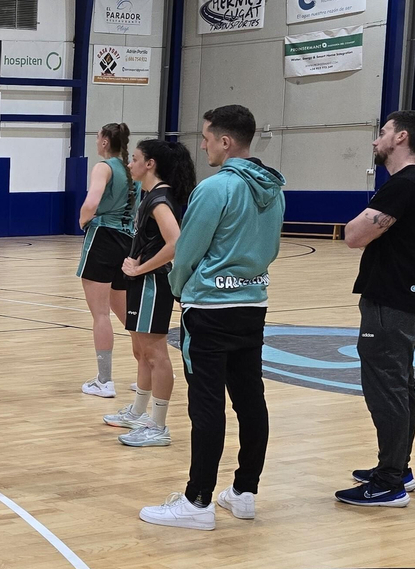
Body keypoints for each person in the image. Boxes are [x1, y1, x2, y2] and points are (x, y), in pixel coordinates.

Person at [140, 105, 284, 531]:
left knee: (206, 404)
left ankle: (198, 501)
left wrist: (182, 288)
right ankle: (244, 493)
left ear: (225, 141)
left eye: (205, 138)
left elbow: (186, 251)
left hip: (209, 309)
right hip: (252, 304)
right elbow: (272, 247)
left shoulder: (215, 188)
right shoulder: (275, 188)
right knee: (250, 399)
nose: (201, 145)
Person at [337, 110, 415, 508]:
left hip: (392, 300)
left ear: (400, 138)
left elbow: (353, 235)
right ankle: (399, 468)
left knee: (386, 387)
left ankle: (388, 482)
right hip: (408, 297)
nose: (375, 140)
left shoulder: (405, 184)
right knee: (400, 383)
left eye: (382, 133)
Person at [108, 139, 197, 447]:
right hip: (142, 283)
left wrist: (141, 268)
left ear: (150, 164)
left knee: (156, 354)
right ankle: (139, 412)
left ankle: (158, 426)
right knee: (142, 352)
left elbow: (176, 243)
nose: (129, 164)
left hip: (152, 284)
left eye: (134, 159)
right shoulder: (150, 196)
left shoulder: (159, 200)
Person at [77, 122, 138, 398]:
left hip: (103, 237)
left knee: (100, 314)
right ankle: (148, 371)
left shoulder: (104, 167)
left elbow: (92, 201)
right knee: (127, 314)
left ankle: (104, 380)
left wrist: (82, 220)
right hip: (128, 239)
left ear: (104, 142)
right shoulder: (131, 170)